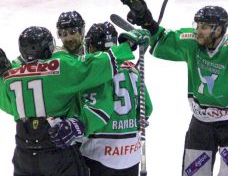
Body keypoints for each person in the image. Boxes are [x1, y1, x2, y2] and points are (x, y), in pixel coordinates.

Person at [120, 0, 228, 176]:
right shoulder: (192, 43)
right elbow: (164, 40)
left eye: (204, 27)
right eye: (197, 25)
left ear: (218, 30)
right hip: (201, 124)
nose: (198, 31)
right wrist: (147, 21)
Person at [1, 25, 149, 176]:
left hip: (23, 154)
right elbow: (101, 63)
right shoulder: (62, 65)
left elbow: (9, 105)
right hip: (59, 146)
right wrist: (128, 46)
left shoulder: (11, 75)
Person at [80, 21, 153, 176]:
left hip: (99, 152)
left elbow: (92, 113)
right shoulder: (132, 69)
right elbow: (146, 108)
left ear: (92, 46)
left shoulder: (94, 70)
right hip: (131, 155)